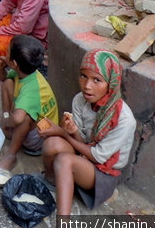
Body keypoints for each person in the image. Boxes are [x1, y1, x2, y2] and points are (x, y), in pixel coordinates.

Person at [38, 50, 136, 216]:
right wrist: (73, 130)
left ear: (111, 83)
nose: (87, 86)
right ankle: (52, 181)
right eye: (83, 76)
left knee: (63, 160)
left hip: (103, 173)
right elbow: (83, 141)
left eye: (97, 80)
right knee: (51, 143)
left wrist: (63, 133)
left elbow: (98, 157)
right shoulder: (80, 100)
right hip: (84, 155)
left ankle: (63, 226)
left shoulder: (124, 119)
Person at [0, 35, 59, 185]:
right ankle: (9, 129)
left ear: (14, 63)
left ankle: (12, 154)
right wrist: (0, 68)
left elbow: (19, 118)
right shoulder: (26, 72)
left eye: (7, 51)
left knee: (24, 118)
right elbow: (4, 79)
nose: (4, 53)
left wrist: (7, 119)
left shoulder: (31, 89)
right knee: (8, 83)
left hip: (40, 138)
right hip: (35, 126)